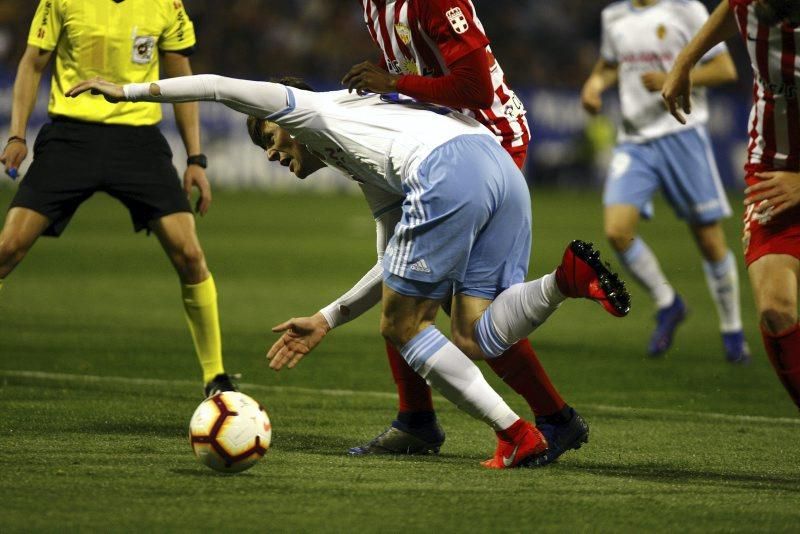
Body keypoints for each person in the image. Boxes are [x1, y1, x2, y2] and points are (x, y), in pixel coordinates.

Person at [66, 74, 631, 467]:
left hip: (446, 171)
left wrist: (130, 91)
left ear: (280, 120)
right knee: (474, 334)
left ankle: (517, 435)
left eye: (268, 137)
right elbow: (393, 266)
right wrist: (327, 318)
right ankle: (564, 280)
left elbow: (219, 87)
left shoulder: (312, 111)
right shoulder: (366, 161)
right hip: (496, 167)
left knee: (402, 326)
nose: (270, 153)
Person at [340, 0, 588, 462]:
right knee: (413, 281)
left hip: (488, 138)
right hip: (439, 143)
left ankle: (547, 417)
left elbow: (474, 86)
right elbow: (415, 64)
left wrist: (392, 83)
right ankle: (421, 420)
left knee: (456, 304)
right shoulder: (374, 5)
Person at [0, 0, 235, 397]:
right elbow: (32, 63)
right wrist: (17, 134)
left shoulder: (166, 4)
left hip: (138, 142)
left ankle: (216, 376)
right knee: (7, 248)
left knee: (190, 255)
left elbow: (182, 77)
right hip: (70, 137)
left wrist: (195, 159)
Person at [580, 0, 750, 362]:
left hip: (682, 134)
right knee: (617, 231)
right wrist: (594, 85)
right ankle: (668, 302)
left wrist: (677, 74)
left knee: (709, 239)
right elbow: (610, 66)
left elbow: (725, 69)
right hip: (634, 141)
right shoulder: (614, 16)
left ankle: (733, 331)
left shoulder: (687, 9)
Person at [663, 0, 800, 410]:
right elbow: (732, 9)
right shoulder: (752, 4)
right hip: (773, 172)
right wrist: (685, 60)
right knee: (776, 310)